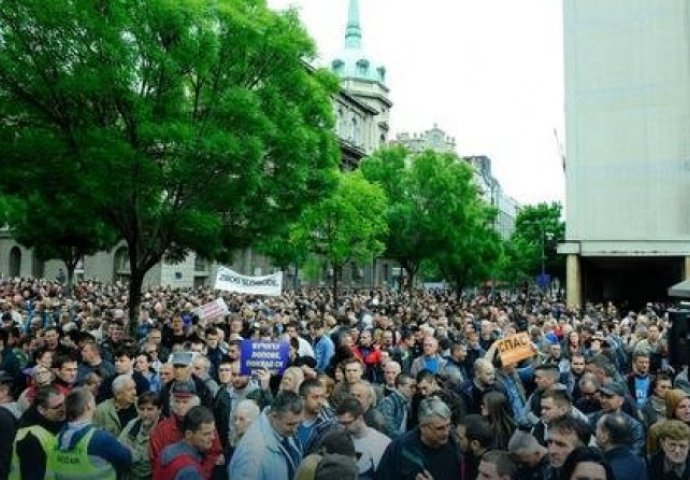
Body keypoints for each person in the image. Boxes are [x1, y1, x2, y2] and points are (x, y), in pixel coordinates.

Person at [52, 387, 132, 479]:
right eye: (94, 400)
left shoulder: (58, 436)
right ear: (89, 405)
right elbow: (126, 460)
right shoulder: (100, 438)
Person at [376, 397, 464, 480]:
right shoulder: (400, 448)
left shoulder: (455, 446)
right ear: (422, 427)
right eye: (439, 428)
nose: (446, 432)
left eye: (448, 425)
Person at [150, 380, 223, 479]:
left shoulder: (206, 425)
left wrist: (200, 474)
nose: (180, 406)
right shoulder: (161, 430)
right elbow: (156, 461)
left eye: (185, 402)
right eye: (177, 401)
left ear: (195, 402)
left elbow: (214, 454)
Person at [228, 391, 304, 480]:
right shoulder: (252, 454)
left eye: (298, 423)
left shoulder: (283, 430)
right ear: (274, 415)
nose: (295, 430)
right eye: (290, 424)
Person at [10, 385, 66, 480]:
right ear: (41, 410)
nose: (64, 409)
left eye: (64, 403)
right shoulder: (30, 437)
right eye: (58, 406)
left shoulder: (52, 422)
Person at [335, 397, 391, 479]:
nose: (343, 427)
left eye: (347, 423)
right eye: (340, 423)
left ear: (360, 418)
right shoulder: (339, 439)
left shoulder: (382, 443)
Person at [156, 406, 217, 480]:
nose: (213, 437)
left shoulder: (167, 450)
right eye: (206, 434)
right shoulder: (189, 471)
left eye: (213, 432)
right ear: (188, 434)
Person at [118, 391, 162, 480]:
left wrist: (131, 451)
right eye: (142, 409)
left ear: (159, 409)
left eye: (150, 409)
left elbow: (148, 462)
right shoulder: (133, 424)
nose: (145, 414)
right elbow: (119, 447)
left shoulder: (163, 430)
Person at [595, 412, 647, 480]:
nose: (595, 432)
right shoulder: (639, 460)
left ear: (604, 436)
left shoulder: (606, 470)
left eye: (597, 428)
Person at [544, 415, 591, 480]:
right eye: (549, 442)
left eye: (560, 445)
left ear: (581, 449)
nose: (551, 451)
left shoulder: (593, 475)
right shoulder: (546, 471)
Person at [375, 372, 415, 439]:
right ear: (400, 386)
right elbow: (389, 430)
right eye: (411, 386)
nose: (414, 390)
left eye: (415, 387)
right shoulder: (388, 403)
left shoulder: (406, 402)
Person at [457, 414, 493, 480]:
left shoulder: (488, 470)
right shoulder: (469, 455)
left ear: (475, 444)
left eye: (460, 438)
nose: (457, 441)